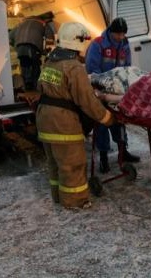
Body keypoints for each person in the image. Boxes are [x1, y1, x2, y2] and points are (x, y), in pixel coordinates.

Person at [36, 22, 115, 209]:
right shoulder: (74, 67)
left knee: (56, 163)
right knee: (73, 164)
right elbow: (86, 101)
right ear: (77, 41)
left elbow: (41, 87)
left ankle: (58, 196)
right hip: (62, 123)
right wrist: (107, 118)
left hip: (44, 118)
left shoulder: (50, 61)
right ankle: (76, 201)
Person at [85, 17, 140, 173]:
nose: (120, 37)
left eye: (123, 34)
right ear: (111, 31)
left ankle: (123, 151)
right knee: (103, 122)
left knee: (120, 120)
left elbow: (127, 68)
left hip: (117, 91)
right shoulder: (98, 44)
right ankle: (103, 157)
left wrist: (124, 85)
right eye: (118, 34)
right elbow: (91, 69)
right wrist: (102, 86)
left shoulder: (124, 45)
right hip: (100, 89)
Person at [9, 11, 56, 91]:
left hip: (20, 47)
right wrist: (48, 53)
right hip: (33, 46)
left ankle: (26, 87)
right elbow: (49, 38)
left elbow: (9, 36)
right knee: (35, 66)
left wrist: (16, 45)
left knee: (24, 65)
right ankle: (36, 89)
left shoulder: (20, 24)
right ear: (46, 19)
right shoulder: (43, 23)